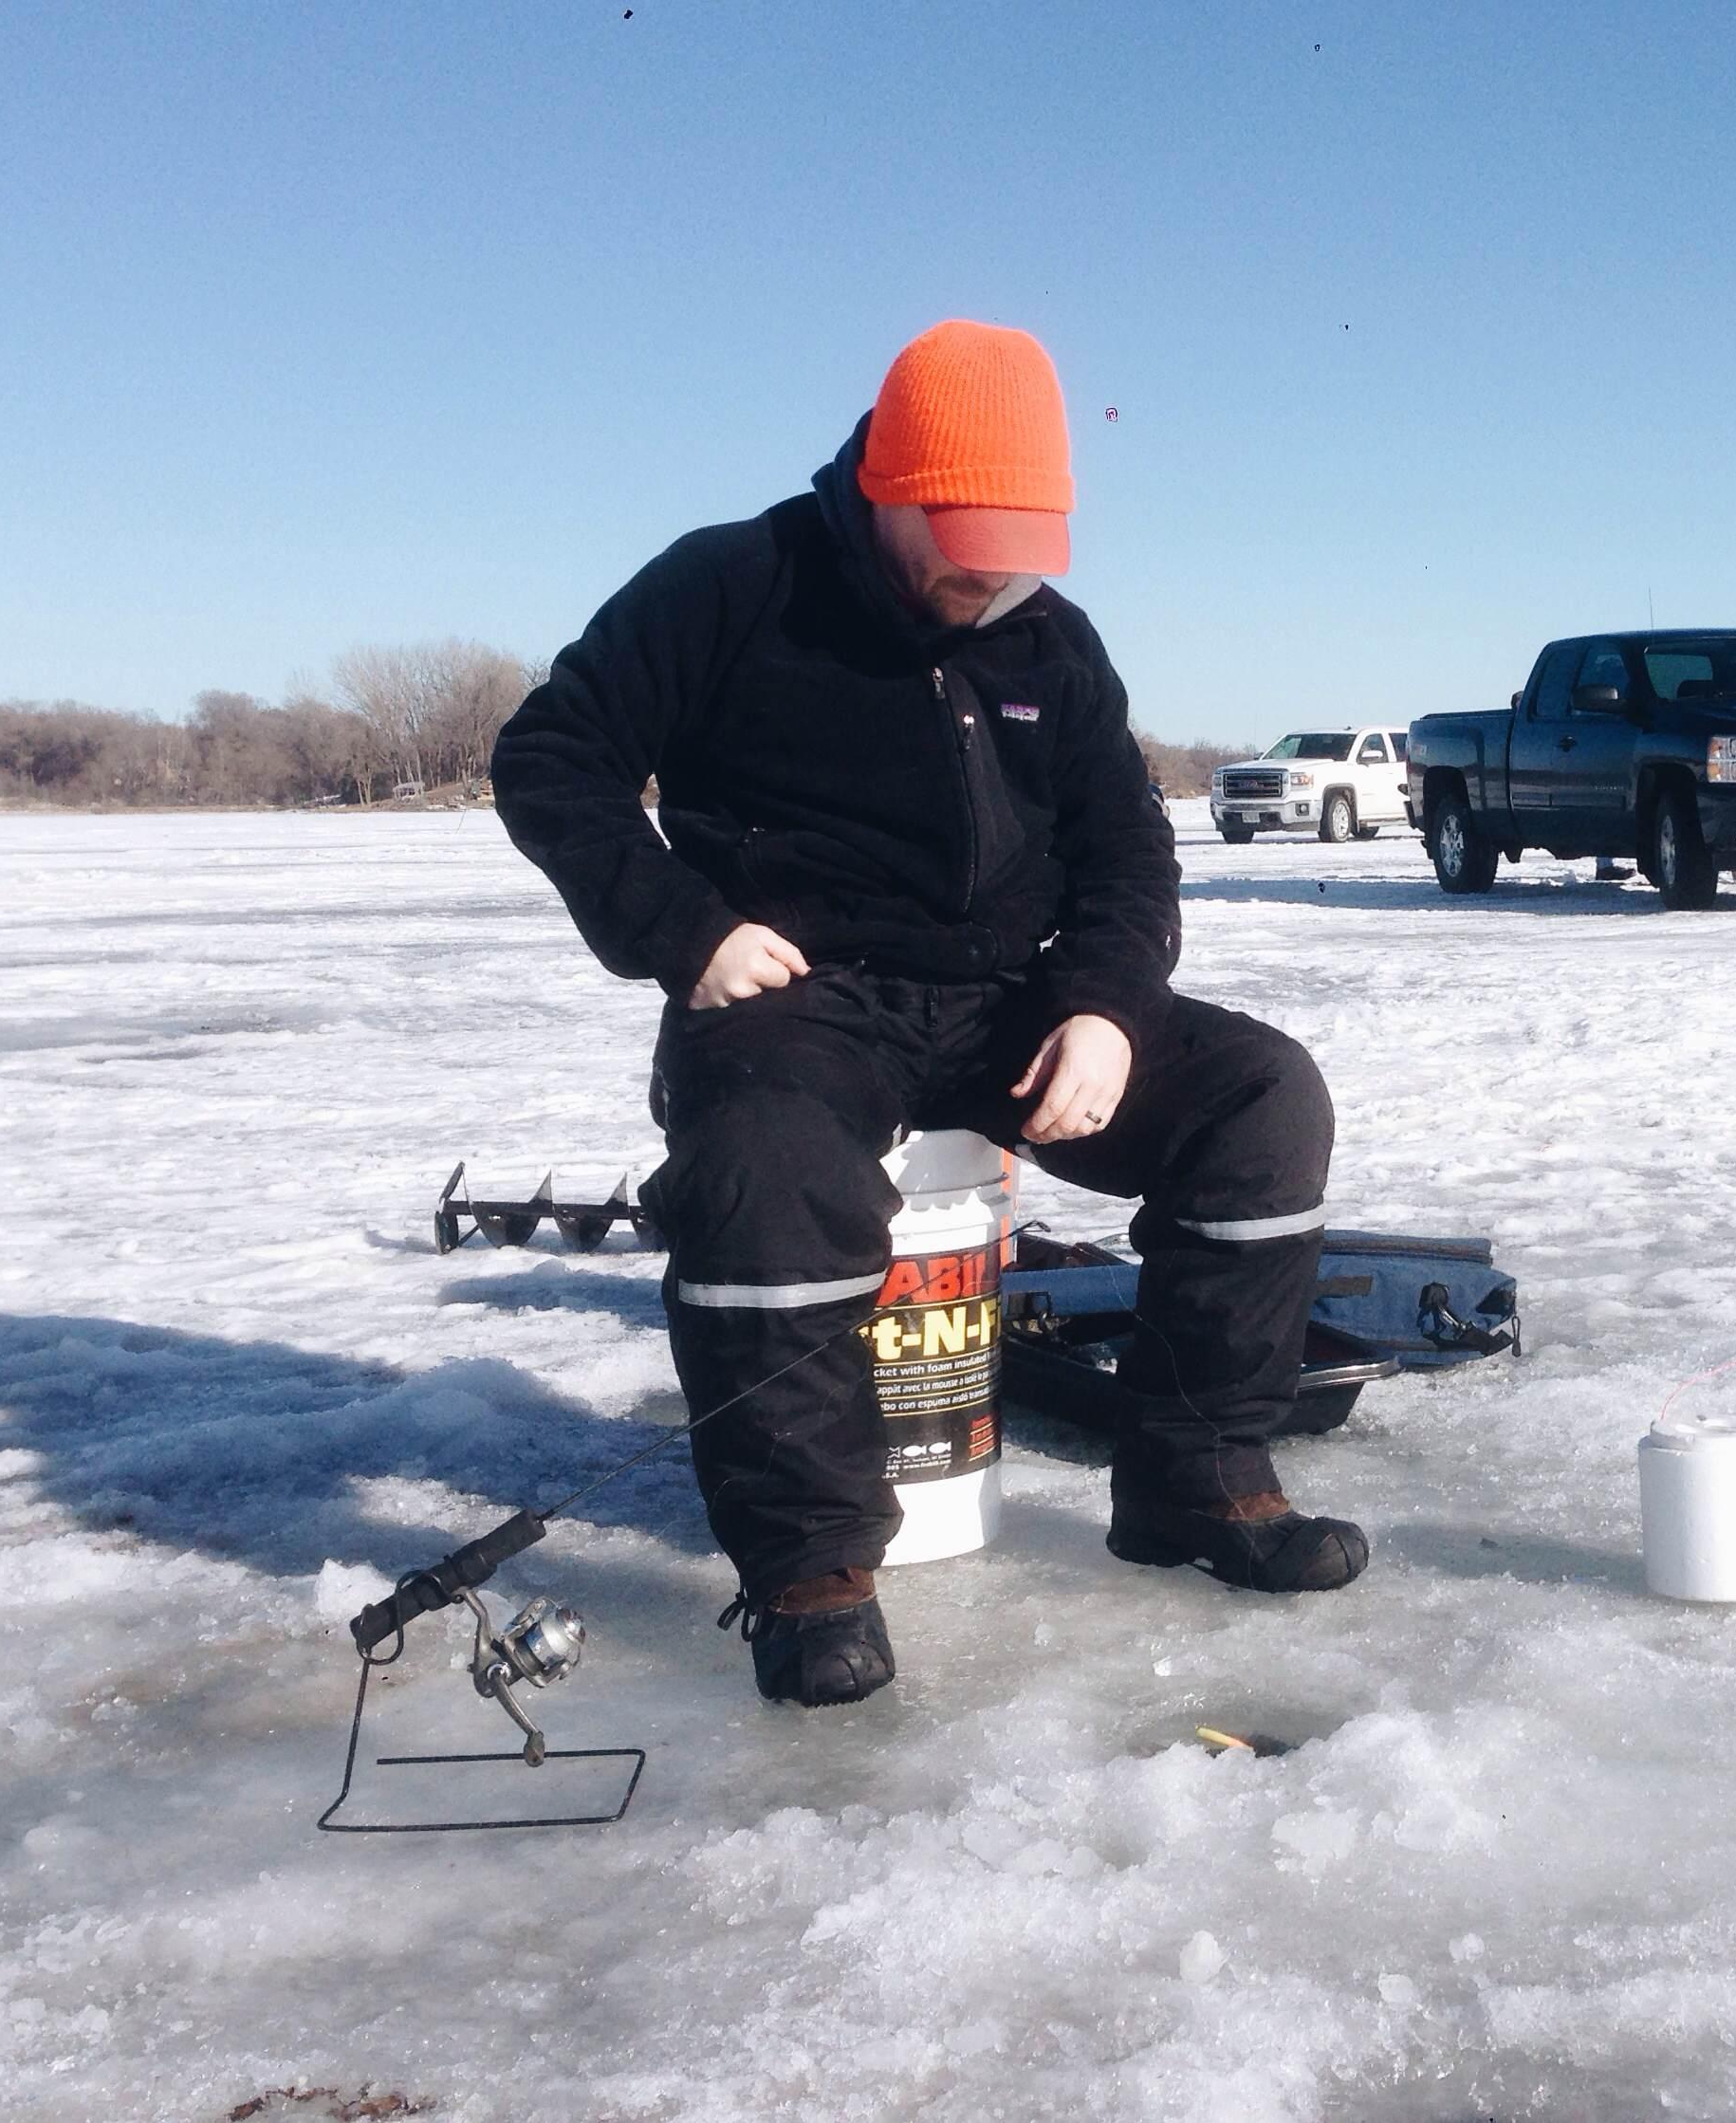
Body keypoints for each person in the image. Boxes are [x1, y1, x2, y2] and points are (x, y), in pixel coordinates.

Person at [489, 321, 1365, 1708]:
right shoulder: (732, 585)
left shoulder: (1048, 640)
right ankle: (808, 1570)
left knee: (1262, 1097)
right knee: (761, 1175)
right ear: (885, 481)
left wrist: (1105, 1008)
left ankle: (1196, 1478)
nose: (987, 565)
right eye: (963, 530)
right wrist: (684, 931)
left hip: (1009, 1003)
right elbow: (550, 759)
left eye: (1018, 538)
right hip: (798, 1000)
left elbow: (1128, 852)